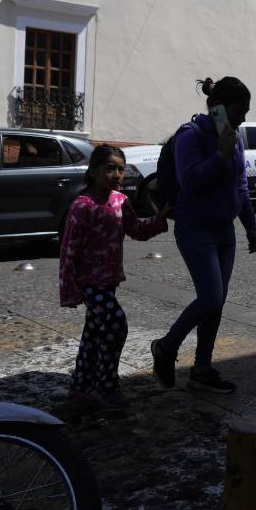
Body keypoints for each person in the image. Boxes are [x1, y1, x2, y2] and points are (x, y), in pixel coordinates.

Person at [150, 77, 256, 394]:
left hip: (225, 232)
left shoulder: (235, 139)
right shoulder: (191, 135)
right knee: (210, 297)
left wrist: (250, 227)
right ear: (219, 108)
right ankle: (166, 347)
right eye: (239, 111)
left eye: (245, 112)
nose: (242, 119)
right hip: (194, 228)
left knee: (217, 303)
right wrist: (219, 156)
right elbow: (190, 181)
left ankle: (202, 368)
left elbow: (241, 186)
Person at [60, 145, 169, 408]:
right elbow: (68, 251)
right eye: (110, 168)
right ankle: (105, 386)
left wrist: (159, 218)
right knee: (116, 326)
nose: (116, 174)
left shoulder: (121, 202)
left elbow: (137, 230)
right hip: (89, 283)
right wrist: (69, 290)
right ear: (94, 171)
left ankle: (81, 387)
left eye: (120, 169)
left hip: (109, 282)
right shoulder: (82, 207)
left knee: (94, 333)